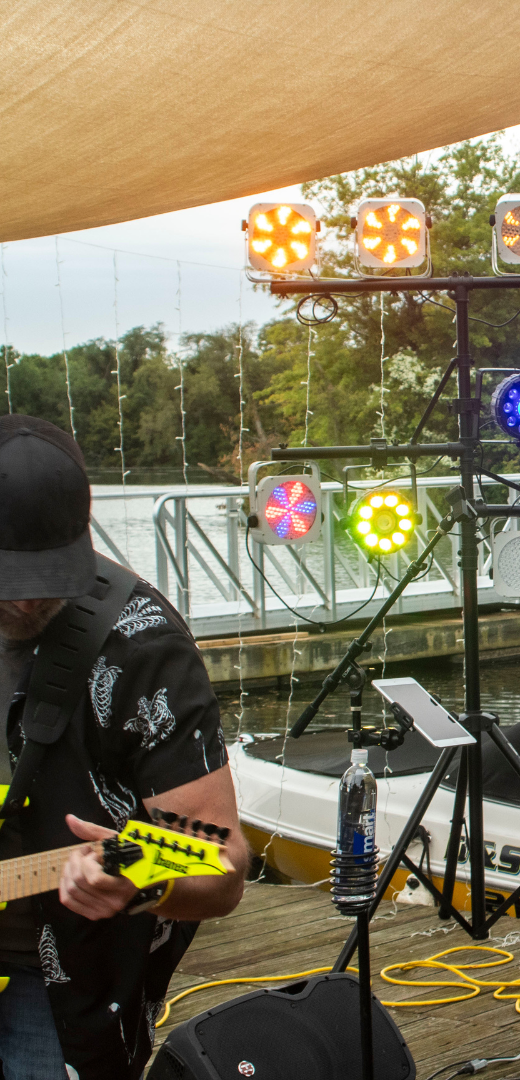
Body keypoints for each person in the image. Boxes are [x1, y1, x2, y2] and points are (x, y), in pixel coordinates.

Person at [0, 415, 248, 1080]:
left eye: (50, 573)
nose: (29, 601)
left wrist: (137, 869)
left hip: (50, 983)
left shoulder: (143, 645)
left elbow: (222, 857)